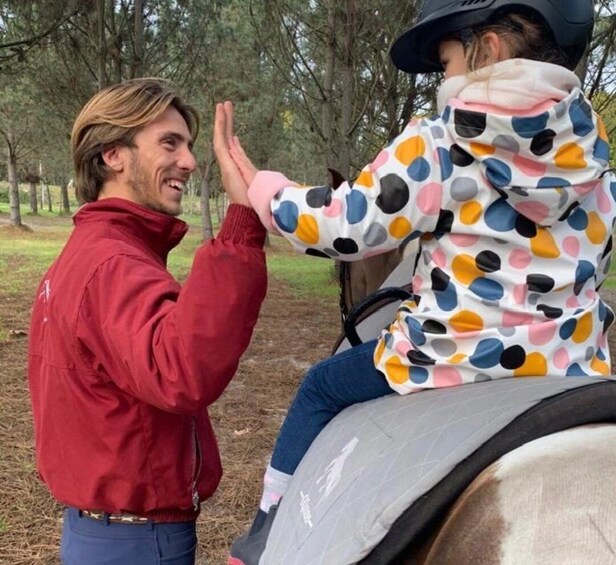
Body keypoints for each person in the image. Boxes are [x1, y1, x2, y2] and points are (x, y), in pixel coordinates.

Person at [215, 1, 616, 564]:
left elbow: (344, 227)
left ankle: (264, 535)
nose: (445, 79)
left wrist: (262, 188)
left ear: (490, 49)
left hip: (446, 355)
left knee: (321, 387)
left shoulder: (443, 141)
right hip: (569, 364)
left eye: (448, 61)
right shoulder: (594, 164)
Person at [27, 78, 267, 564]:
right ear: (113, 154)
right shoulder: (113, 263)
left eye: (189, 146)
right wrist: (242, 218)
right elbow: (182, 368)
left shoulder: (84, 255)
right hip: (136, 542)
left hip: (98, 532)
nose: (189, 161)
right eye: (169, 143)